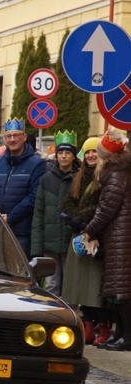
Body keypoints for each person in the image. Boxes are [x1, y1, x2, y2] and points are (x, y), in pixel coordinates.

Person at [60, 136, 113, 346]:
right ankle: (87, 326)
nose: (91, 155)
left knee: (95, 287)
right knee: (80, 286)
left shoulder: (106, 177)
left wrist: (82, 220)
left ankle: (104, 326)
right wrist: (75, 220)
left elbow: (102, 207)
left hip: (96, 237)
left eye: (95, 152)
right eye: (88, 152)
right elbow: (67, 204)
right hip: (79, 236)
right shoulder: (78, 177)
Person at [83, 131, 131, 350]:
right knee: (117, 290)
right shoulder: (120, 171)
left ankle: (126, 336)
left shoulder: (116, 174)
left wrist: (88, 231)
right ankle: (120, 334)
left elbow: (106, 209)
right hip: (118, 235)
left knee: (122, 291)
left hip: (122, 236)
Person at [0, 118, 47, 258]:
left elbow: (34, 196)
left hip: (21, 231)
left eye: (16, 135)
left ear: (24, 137)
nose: (12, 140)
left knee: (18, 274)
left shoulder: (37, 164)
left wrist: (10, 218)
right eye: (8, 136)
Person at [30, 131, 79, 297]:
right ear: (56, 156)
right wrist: (37, 245)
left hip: (69, 240)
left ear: (74, 156)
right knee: (52, 285)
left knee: (71, 285)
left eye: (68, 153)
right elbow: (39, 213)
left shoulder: (79, 178)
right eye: (60, 153)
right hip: (50, 241)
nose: (63, 156)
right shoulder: (46, 179)